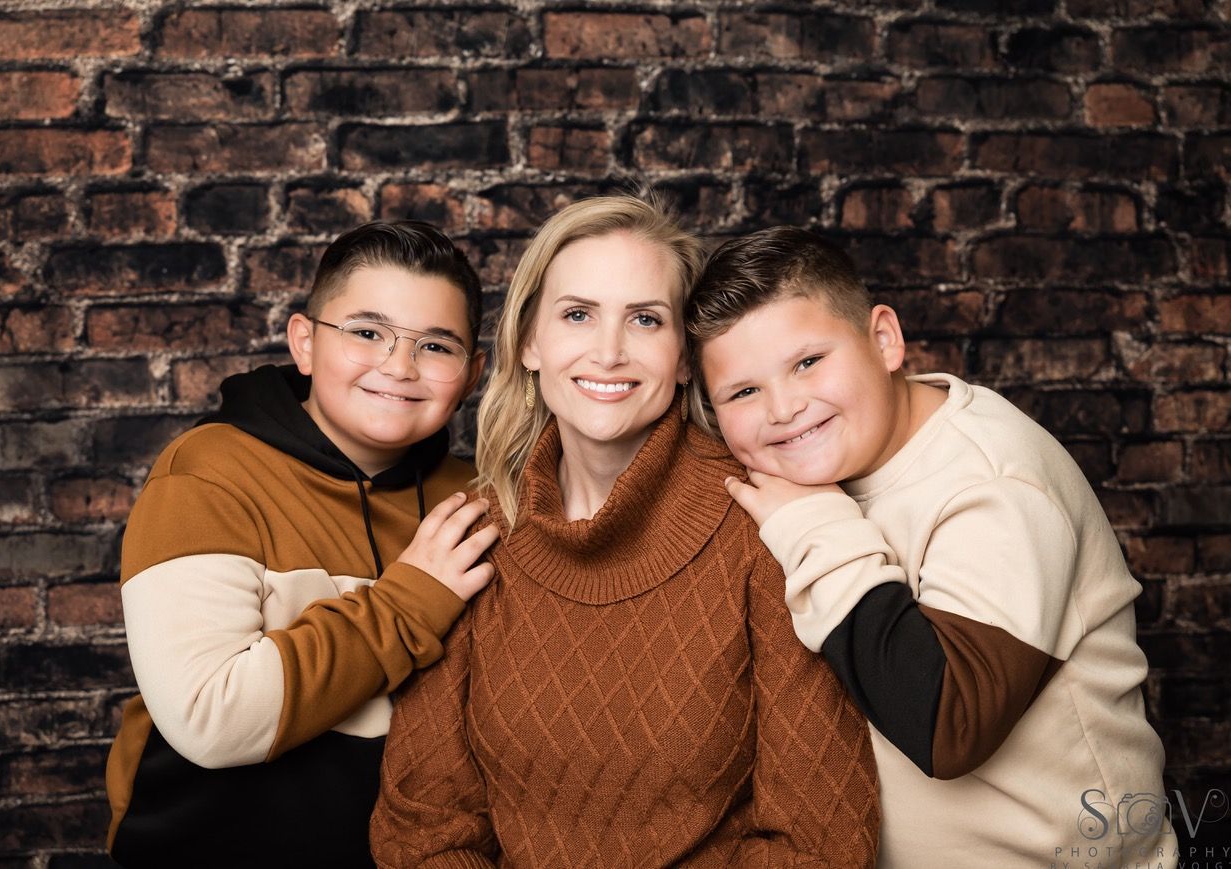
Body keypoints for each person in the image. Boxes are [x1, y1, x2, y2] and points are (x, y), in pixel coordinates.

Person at [370, 195, 880, 868]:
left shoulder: (763, 526)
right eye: (578, 315)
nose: (609, 353)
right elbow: (425, 833)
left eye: (645, 319)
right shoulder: (471, 533)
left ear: (685, 358)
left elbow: (820, 843)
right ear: (529, 342)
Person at [687, 225, 1176, 866]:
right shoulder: (810, 463)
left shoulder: (996, 484)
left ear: (884, 339)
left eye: (808, 362)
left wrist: (816, 523)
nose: (783, 408)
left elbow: (952, 725)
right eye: (744, 392)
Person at [104, 221, 499, 868]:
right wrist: (410, 602)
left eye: (435, 345)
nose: (399, 366)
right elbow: (210, 718)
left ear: (472, 373)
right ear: (306, 343)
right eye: (367, 333)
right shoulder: (208, 474)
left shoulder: (479, 502)